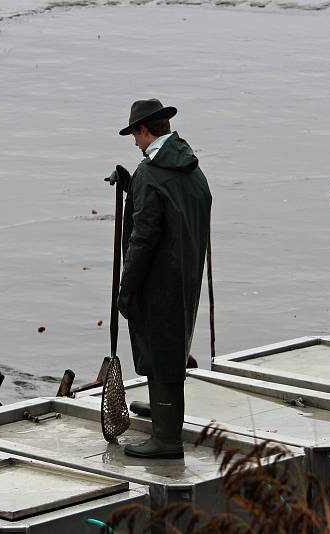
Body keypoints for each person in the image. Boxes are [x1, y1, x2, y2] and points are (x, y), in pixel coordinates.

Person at [111, 98, 212, 459]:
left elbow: (144, 237)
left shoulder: (152, 174)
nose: (135, 144)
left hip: (158, 282)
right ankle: (164, 413)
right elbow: (175, 209)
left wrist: (127, 287)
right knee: (172, 349)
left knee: (159, 352)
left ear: (144, 130)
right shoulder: (188, 168)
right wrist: (130, 186)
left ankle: (167, 439)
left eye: (134, 136)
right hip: (186, 276)